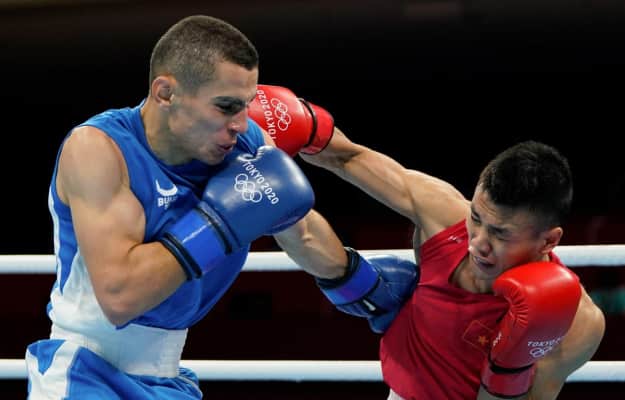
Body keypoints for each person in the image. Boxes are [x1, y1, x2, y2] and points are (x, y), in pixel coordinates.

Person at [24, 15, 363, 399]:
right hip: (84, 372)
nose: (241, 123)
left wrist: (365, 285)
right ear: (166, 93)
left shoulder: (246, 144)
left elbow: (301, 232)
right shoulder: (100, 150)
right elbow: (120, 298)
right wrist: (217, 223)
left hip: (168, 377)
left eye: (246, 105)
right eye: (226, 106)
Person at [249, 88, 605, 400]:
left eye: (501, 234)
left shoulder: (576, 322)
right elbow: (346, 156)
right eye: (476, 218)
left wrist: (510, 364)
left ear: (549, 240)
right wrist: (296, 124)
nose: (478, 243)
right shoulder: (444, 215)